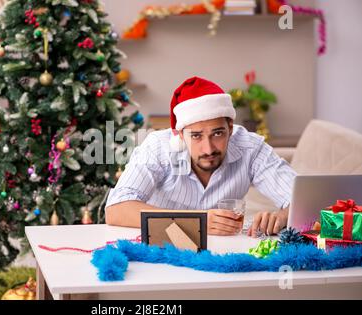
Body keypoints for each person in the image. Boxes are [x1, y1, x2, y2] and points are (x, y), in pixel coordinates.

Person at [105, 76, 297, 237]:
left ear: (230, 127)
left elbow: (304, 199)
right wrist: (197, 221)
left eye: (218, 133)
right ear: (180, 135)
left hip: (225, 255)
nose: (208, 149)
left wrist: (282, 217)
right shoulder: (158, 148)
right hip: (163, 249)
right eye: (196, 136)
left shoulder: (250, 147)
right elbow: (116, 209)